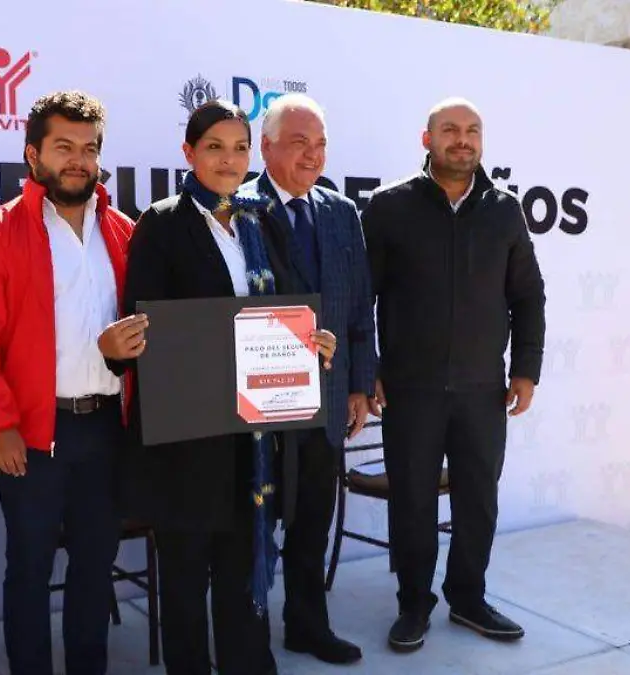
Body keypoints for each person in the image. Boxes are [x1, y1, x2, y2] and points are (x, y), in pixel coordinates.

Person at [119, 100, 337, 675]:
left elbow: (285, 311)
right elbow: (145, 327)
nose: (229, 159)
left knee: (242, 577)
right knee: (186, 582)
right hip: (186, 442)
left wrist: (312, 343)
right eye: (214, 147)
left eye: (240, 148)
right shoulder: (162, 223)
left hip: (251, 441)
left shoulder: (260, 222)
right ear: (188, 153)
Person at [0, 90, 138, 675]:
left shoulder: (124, 232)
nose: (78, 160)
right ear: (33, 154)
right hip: (32, 434)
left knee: (94, 566)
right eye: (63, 147)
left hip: (107, 429)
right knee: (29, 568)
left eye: (89, 149)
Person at [362, 97, 545, 652]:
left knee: (478, 501)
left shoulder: (504, 210)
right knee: (413, 502)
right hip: (409, 389)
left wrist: (526, 369)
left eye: (472, 130)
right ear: (428, 139)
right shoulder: (389, 206)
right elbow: (360, 297)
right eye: (450, 130)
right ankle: (413, 604)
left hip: (482, 390)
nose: (462, 140)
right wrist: (368, 368)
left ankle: (468, 598)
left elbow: (528, 295)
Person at [244, 93, 377, 665]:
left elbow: (358, 305)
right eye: (299, 142)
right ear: (266, 147)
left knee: (312, 523)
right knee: (250, 528)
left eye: (320, 144)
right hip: (256, 405)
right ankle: (246, 638)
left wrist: (360, 384)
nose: (313, 155)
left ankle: (306, 625)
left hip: (326, 402)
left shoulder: (341, 212)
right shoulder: (238, 210)